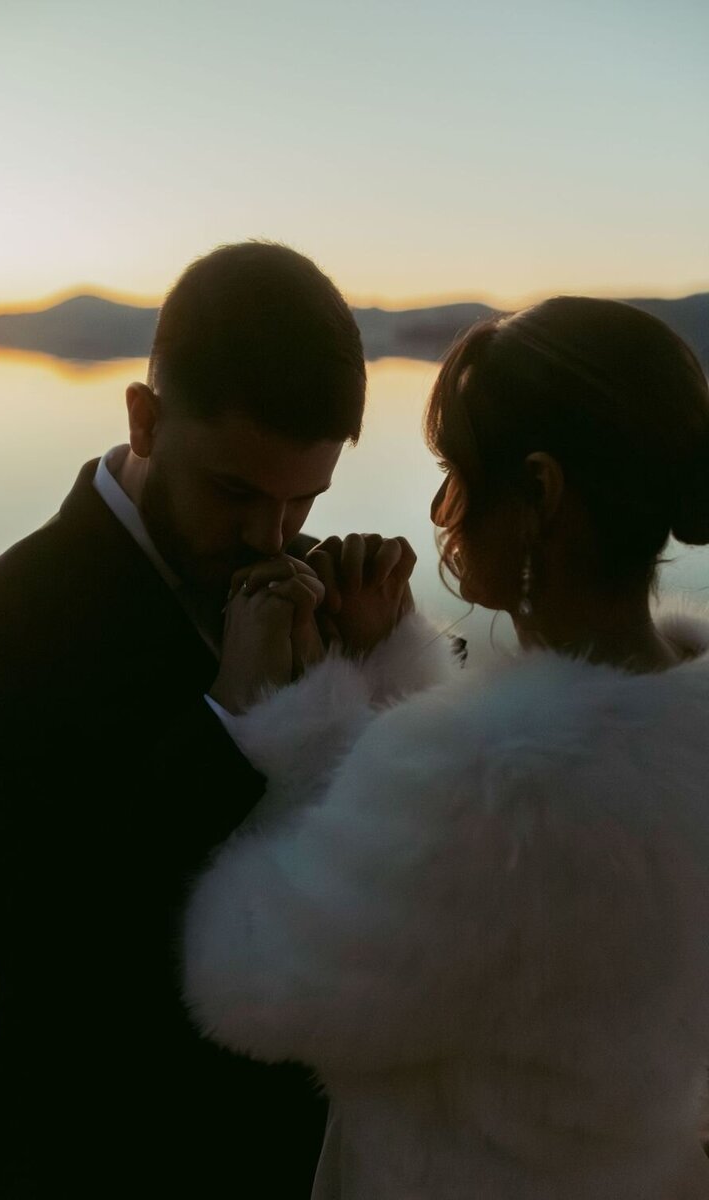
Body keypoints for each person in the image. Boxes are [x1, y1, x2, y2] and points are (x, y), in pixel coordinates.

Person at [181, 296, 709, 1199]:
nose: (441, 509)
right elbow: (493, 890)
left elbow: (247, 975)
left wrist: (269, 712)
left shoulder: (493, 790)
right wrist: (389, 674)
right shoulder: (677, 722)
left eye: (457, 473)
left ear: (539, 493)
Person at [0, 240, 368, 1198]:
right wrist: (226, 720)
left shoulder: (319, 584)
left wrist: (385, 665)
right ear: (145, 418)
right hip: (99, 1154)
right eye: (235, 492)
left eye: (305, 500)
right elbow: (56, 956)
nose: (271, 539)